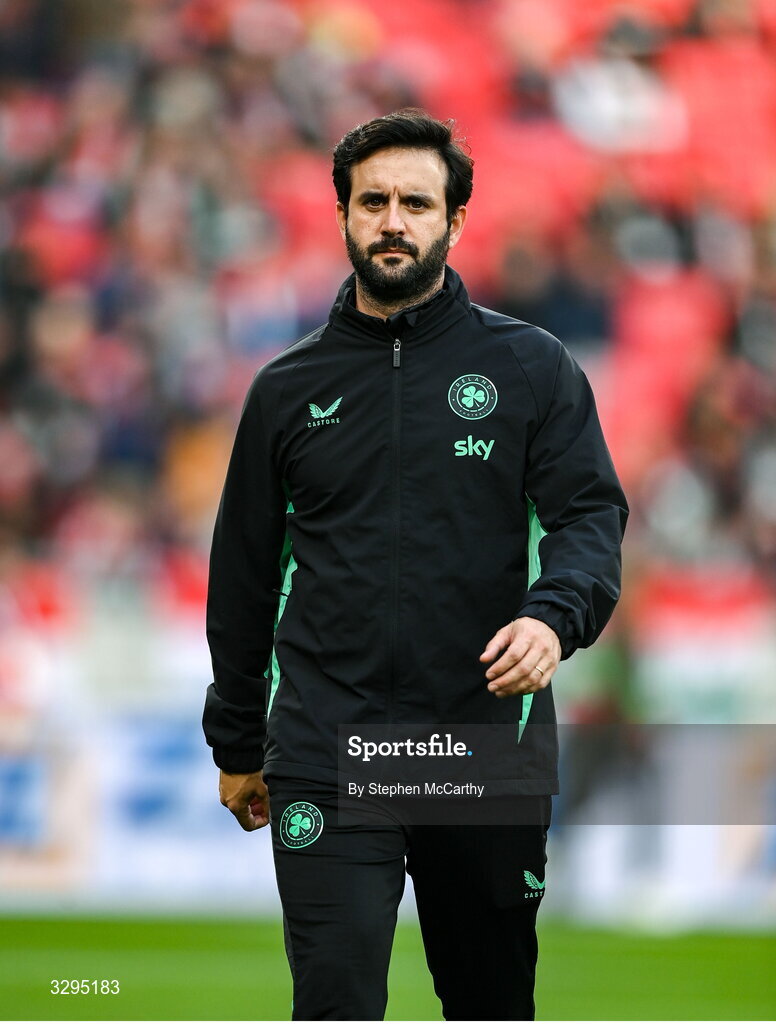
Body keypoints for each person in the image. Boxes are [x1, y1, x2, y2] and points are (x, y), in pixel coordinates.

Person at [203, 109, 628, 1021]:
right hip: (328, 747)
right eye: (374, 202)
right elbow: (239, 575)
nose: (393, 220)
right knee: (337, 995)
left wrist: (553, 617)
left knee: (490, 1002)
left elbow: (590, 515)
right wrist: (237, 742)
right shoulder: (286, 388)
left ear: (456, 221)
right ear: (345, 216)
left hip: (482, 748)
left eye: (416, 203)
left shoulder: (531, 368)